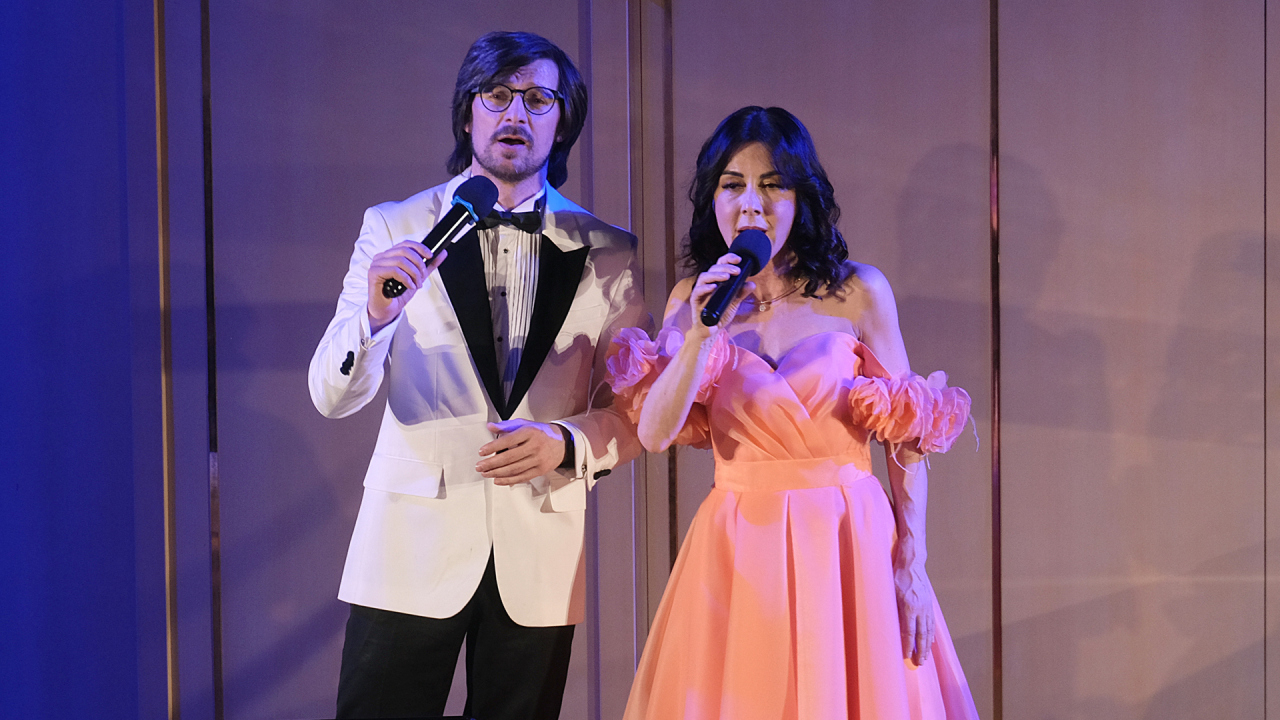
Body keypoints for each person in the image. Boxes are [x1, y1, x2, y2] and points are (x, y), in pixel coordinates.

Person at [308, 31, 646, 720]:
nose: (515, 113)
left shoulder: (608, 251)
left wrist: (566, 442)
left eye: (538, 99)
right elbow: (331, 394)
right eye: (498, 95)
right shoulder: (396, 226)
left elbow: (634, 413)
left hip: (539, 550)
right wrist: (374, 316)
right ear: (468, 112)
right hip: (410, 544)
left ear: (562, 122)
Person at [607, 106, 980, 719]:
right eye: (733, 185)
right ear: (713, 201)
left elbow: (906, 435)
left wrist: (912, 560)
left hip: (849, 540)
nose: (751, 204)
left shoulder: (858, 291)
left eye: (772, 185)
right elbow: (653, 433)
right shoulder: (694, 301)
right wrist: (701, 333)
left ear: (801, 198)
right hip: (738, 544)